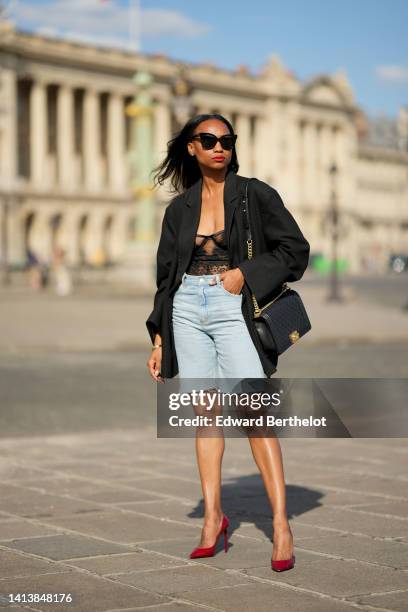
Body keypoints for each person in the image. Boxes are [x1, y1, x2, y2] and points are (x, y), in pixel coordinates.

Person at [146, 113, 310, 572]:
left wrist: (244, 274)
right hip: (186, 310)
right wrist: (159, 338)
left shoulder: (255, 194)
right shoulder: (178, 210)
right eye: (209, 139)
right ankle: (213, 518)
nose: (220, 146)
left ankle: (281, 525)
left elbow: (295, 250)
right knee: (207, 415)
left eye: (227, 139)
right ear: (191, 149)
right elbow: (165, 278)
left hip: (231, 303)